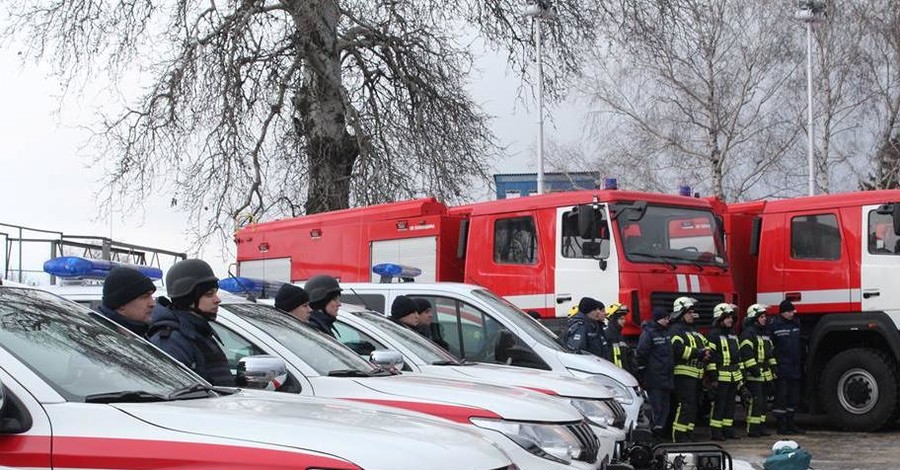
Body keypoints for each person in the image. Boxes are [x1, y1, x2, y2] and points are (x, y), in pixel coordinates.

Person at [148, 259, 235, 386]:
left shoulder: (199, 333)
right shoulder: (170, 341)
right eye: (209, 294)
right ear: (188, 298)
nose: (217, 300)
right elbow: (176, 395)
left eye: (215, 293)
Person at [669, 296, 712, 442]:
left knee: (694, 406)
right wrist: (699, 353)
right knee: (685, 405)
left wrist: (707, 353)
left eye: (693, 312)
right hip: (683, 374)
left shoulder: (694, 330)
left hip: (697, 374)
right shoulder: (675, 329)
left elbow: (706, 345)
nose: (692, 314)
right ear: (680, 312)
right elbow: (677, 349)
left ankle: (688, 433)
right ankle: (679, 436)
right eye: (689, 312)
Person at [636, 307, 674, 442]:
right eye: (665, 318)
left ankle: (659, 432)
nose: (667, 321)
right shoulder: (649, 333)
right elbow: (641, 352)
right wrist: (645, 370)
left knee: (665, 408)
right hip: (655, 377)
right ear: (658, 319)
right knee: (656, 408)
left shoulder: (665, 333)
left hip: (666, 377)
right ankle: (653, 435)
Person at [706, 303, 743, 441]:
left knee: (730, 405)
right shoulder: (714, 334)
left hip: (733, 375)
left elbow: (737, 355)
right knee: (719, 405)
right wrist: (713, 378)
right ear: (719, 318)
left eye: (731, 317)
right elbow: (710, 357)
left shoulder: (732, 334)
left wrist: (740, 375)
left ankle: (728, 430)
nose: (730, 320)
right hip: (721, 376)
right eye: (727, 318)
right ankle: (716, 432)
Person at [740, 303, 777, 437]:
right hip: (754, 375)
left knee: (763, 403)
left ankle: (761, 427)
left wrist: (774, 368)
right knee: (755, 402)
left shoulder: (765, 333)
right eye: (761, 317)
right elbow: (746, 353)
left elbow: (770, 354)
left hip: (765, 374)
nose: (764, 319)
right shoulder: (748, 334)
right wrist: (753, 369)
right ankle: (753, 429)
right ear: (754, 318)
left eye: (764, 316)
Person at [770, 300, 805, 435]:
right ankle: (781, 425)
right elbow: (770, 348)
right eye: (790, 311)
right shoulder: (775, 326)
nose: (792, 313)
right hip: (782, 368)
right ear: (783, 312)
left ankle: (791, 423)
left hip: (794, 368)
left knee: (793, 398)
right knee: (781, 398)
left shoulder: (796, 324)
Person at [96, 266, 156, 337]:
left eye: (151, 296)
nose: (153, 303)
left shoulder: (135, 332)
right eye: (145, 297)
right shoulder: (102, 338)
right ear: (121, 304)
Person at [604, 302, 633, 372]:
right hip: (612, 374)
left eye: (624, 319)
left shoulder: (620, 336)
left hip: (622, 373)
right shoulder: (606, 335)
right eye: (621, 319)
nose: (624, 321)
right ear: (613, 320)